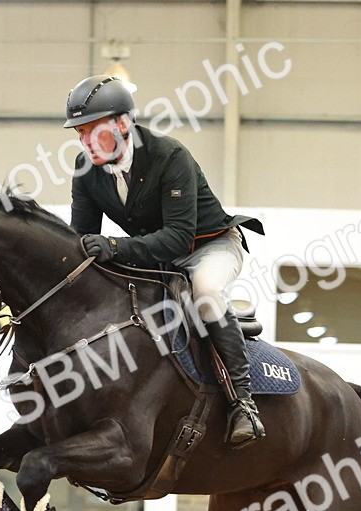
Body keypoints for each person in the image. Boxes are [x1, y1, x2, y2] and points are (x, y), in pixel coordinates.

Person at [64, 74, 266, 447]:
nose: (84, 141)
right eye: (79, 132)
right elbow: (83, 241)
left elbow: (177, 237)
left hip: (209, 246)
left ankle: (243, 403)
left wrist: (114, 246)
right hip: (155, 255)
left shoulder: (169, 155)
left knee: (204, 290)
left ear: (123, 124)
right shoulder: (85, 169)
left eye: (92, 130)